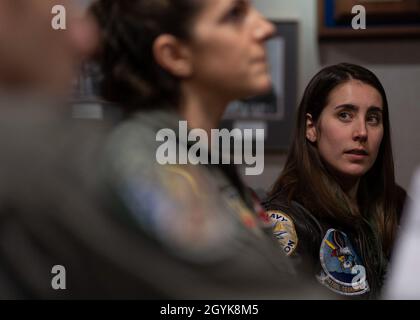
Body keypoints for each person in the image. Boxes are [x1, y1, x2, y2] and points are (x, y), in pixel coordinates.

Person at [88, 0, 324, 298]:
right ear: (175, 55)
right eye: (234, 15)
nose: (265, 28)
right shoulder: (144, 156)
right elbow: (249, 292)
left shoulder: (200, 158)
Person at [263, 63, 407, 299]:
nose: (361, 132)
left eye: (373, 118)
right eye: (345, 115)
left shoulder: (398, 204)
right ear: (311, 128)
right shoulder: (288, 219)